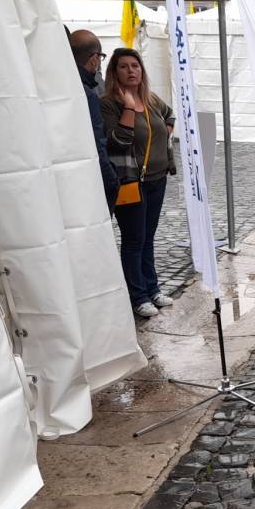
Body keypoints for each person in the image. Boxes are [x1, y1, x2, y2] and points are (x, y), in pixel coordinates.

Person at [100, 48, 177, 318]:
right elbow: (117, 141)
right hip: (132, 182)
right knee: (134, 239)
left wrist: (166, 131)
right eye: (124, 66)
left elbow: (170, 115)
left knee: (148, 237)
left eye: (136, 65)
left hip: (157, 179)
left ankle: (152, 288)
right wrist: (129, 108)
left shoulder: (152, 99)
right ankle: (138, 296)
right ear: (114, 72)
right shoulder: (109, 103)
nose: (131, 71)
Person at [68, 30, 119, 213]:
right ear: (94, 59)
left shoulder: (60, 86)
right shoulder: (87, 94)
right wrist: (111, 181)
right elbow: (97, 143)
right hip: (88, 179)